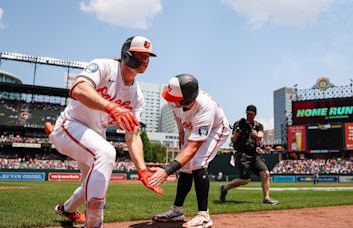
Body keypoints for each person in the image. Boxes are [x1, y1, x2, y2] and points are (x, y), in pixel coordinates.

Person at [46, 35, 163, 227]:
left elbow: (132, 135)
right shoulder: (104, 66)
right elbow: (78, 89)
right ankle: (94, 224)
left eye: (148, 57)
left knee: (91, 185)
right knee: (107, 152)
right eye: (140, 55)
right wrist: (111, 107)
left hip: (95, 134)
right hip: (71, 124)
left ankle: (66, 209)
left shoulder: (137, 96)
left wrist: (141, 169)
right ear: (126, 55)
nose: (145, 61)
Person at [148, 74, 230, 228]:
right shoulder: (176, 99)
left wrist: (167, 170)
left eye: (174, 99)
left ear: (186, 99)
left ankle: (204, 216)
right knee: (185, 166)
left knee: (198, 162)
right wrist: (181, 132)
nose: (169, 100)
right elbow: (177, 116)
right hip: (191, 126)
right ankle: (177, 211)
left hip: (216, 128)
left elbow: (193, 148)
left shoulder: (205, 107)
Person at [219, 105, 278, 205]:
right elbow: (233, 140)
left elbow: (260, 135)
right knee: (245, 180)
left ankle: (266, 198)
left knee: (265, 173)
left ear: (255, 115)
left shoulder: (258, 125)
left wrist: (255, 135)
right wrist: (236, 134)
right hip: (242, 154)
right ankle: (224, 188)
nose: (249, 115)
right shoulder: (239, 123)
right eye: (248, 113)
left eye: (251, 114)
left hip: (254, 154)